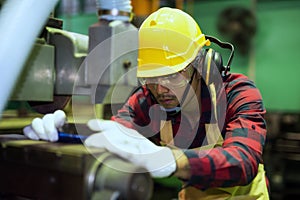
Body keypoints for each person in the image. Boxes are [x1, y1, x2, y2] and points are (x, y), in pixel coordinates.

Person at [23, 7, 270, 199]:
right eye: (151, 77)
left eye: (173, 75)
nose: (160, 89)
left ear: (202, 65)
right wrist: (64, 133)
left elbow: (242, 161)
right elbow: (115, 136)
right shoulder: (147, 100)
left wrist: (172, 161)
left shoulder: (238, 93)